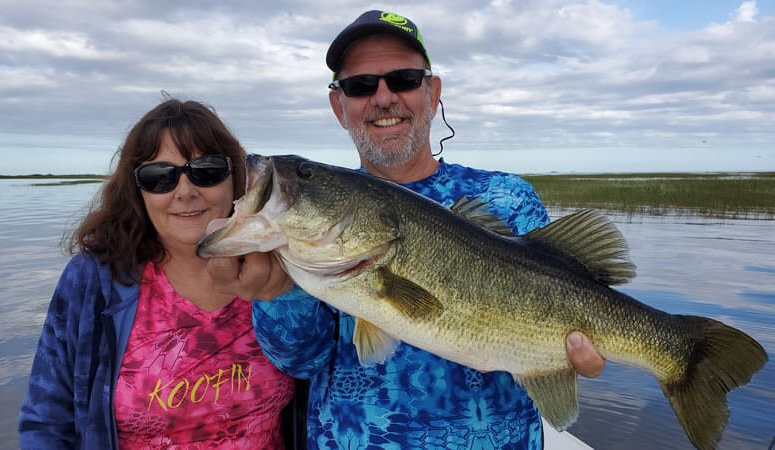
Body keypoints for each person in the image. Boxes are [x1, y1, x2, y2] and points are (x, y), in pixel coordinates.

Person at [208, 10, 606, 449]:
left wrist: (575, 358)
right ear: (339, 106)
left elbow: (570, 315)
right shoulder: (303, 248)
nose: (383, 98)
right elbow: (300, 361)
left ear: (432, 94)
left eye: (403, 79)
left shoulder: (508, 198)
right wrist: (276, 293)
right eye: (360, 86)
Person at [18, 99, 296, 449]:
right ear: (137, 190)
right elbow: (46, 423)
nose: (185, 191)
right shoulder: (94, 280)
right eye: (159, 177)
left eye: (206, 170)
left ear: (237, 177)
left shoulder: (277, 268)